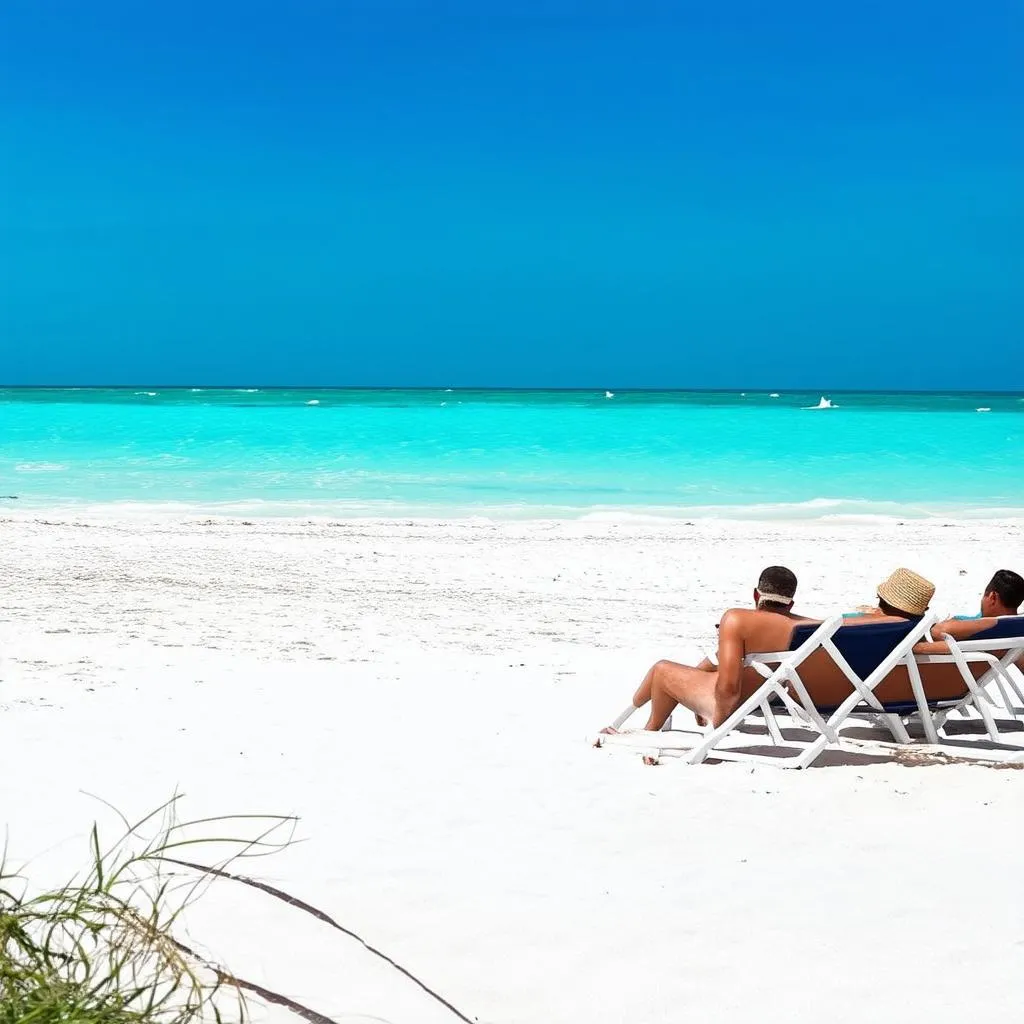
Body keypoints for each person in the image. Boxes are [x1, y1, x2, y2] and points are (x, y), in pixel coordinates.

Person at [598, 566, 817, 736]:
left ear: (756, 595)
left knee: (661, 670)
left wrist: (718, 723)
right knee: (698, 669)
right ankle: (636, 725)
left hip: (732, 701)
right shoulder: (809, 627)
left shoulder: (739, 619)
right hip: (767, 695)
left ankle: (647, 730)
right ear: (790, 604)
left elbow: (729, 688)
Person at [915, 569, 1024, 654]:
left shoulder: (992, 629)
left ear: (992, 597)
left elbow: (937, 631)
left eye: (984, 595)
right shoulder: (1017, 630)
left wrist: (920, 647)